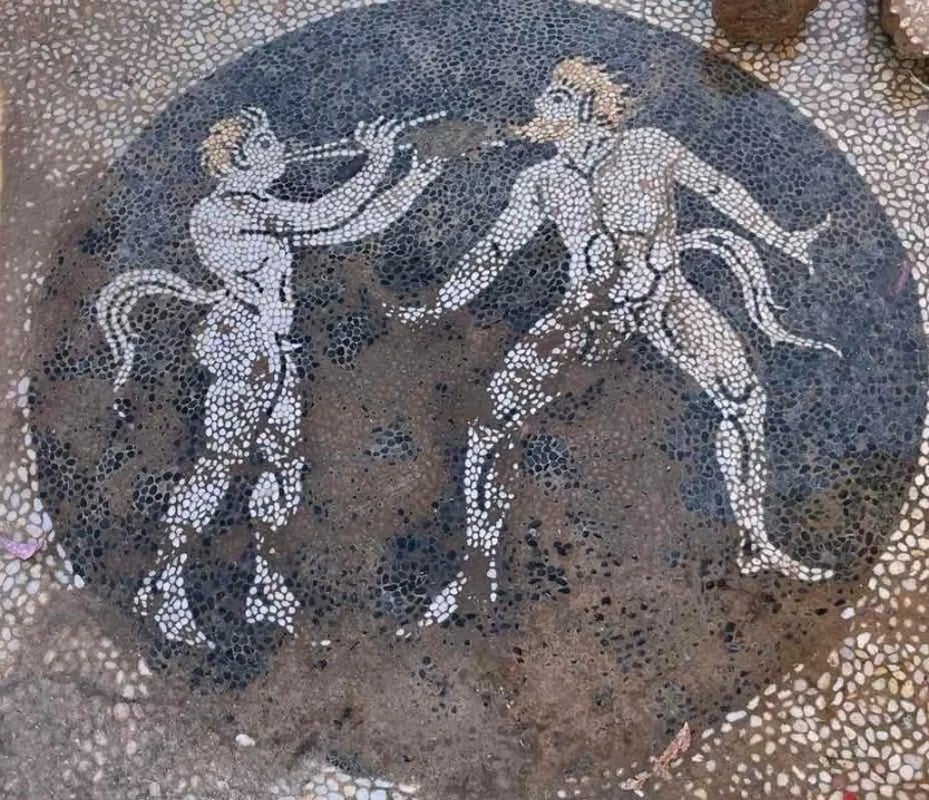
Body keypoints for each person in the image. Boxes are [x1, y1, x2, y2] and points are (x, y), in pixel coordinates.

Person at [390, 58, 840, 628]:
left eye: (555, 98)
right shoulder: (543, 181)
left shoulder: (648, 146)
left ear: (588, 108)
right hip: (590, 312)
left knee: (744, 398)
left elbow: (718, 187)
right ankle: (476, 571)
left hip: (666, 295)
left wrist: (782, 238)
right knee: (493, 419)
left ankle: (754, 539)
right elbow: (495, 250)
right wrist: (437, 304)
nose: (540, 107)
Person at [98, 107, 443, 647]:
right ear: (235, 161)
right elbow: (322, 214)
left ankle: (266, 584)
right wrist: (377, 161)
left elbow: (352, 225)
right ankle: (165, 586)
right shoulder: (222, 212)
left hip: (275, 348)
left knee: (283, 466)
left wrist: (418, 177)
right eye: (263, 142)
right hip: (243, 345)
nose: (278, 146)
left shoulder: (259, 208)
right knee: (221, 463)